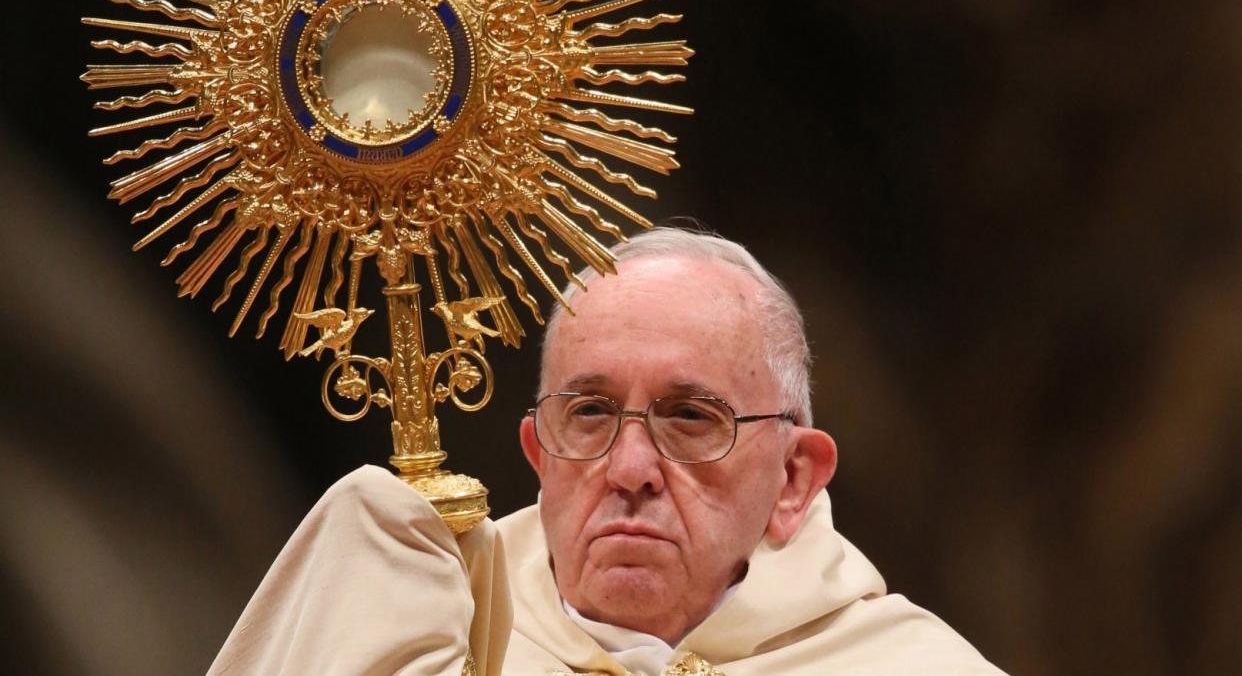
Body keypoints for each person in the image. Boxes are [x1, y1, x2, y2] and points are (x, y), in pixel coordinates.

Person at [209, 227, 1005, 676]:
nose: (629, 472)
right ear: (538, 454)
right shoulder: (433, 644)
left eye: (692, 418)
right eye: (588, 414)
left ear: (794, 479)